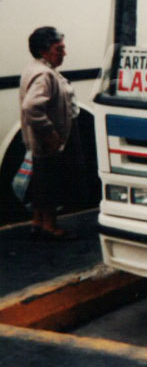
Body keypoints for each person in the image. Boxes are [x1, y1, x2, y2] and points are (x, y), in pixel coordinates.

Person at [18, 26, 81, 240]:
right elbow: (31, 107)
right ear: (44, 51)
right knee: (51, 183)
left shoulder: (37, 68)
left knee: (41, 181)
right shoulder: (44, 74)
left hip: (39, 142)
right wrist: (51, 134)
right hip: (46, 142)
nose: (64, 53)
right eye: (59, 49)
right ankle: (50, 226)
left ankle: (37, 220)